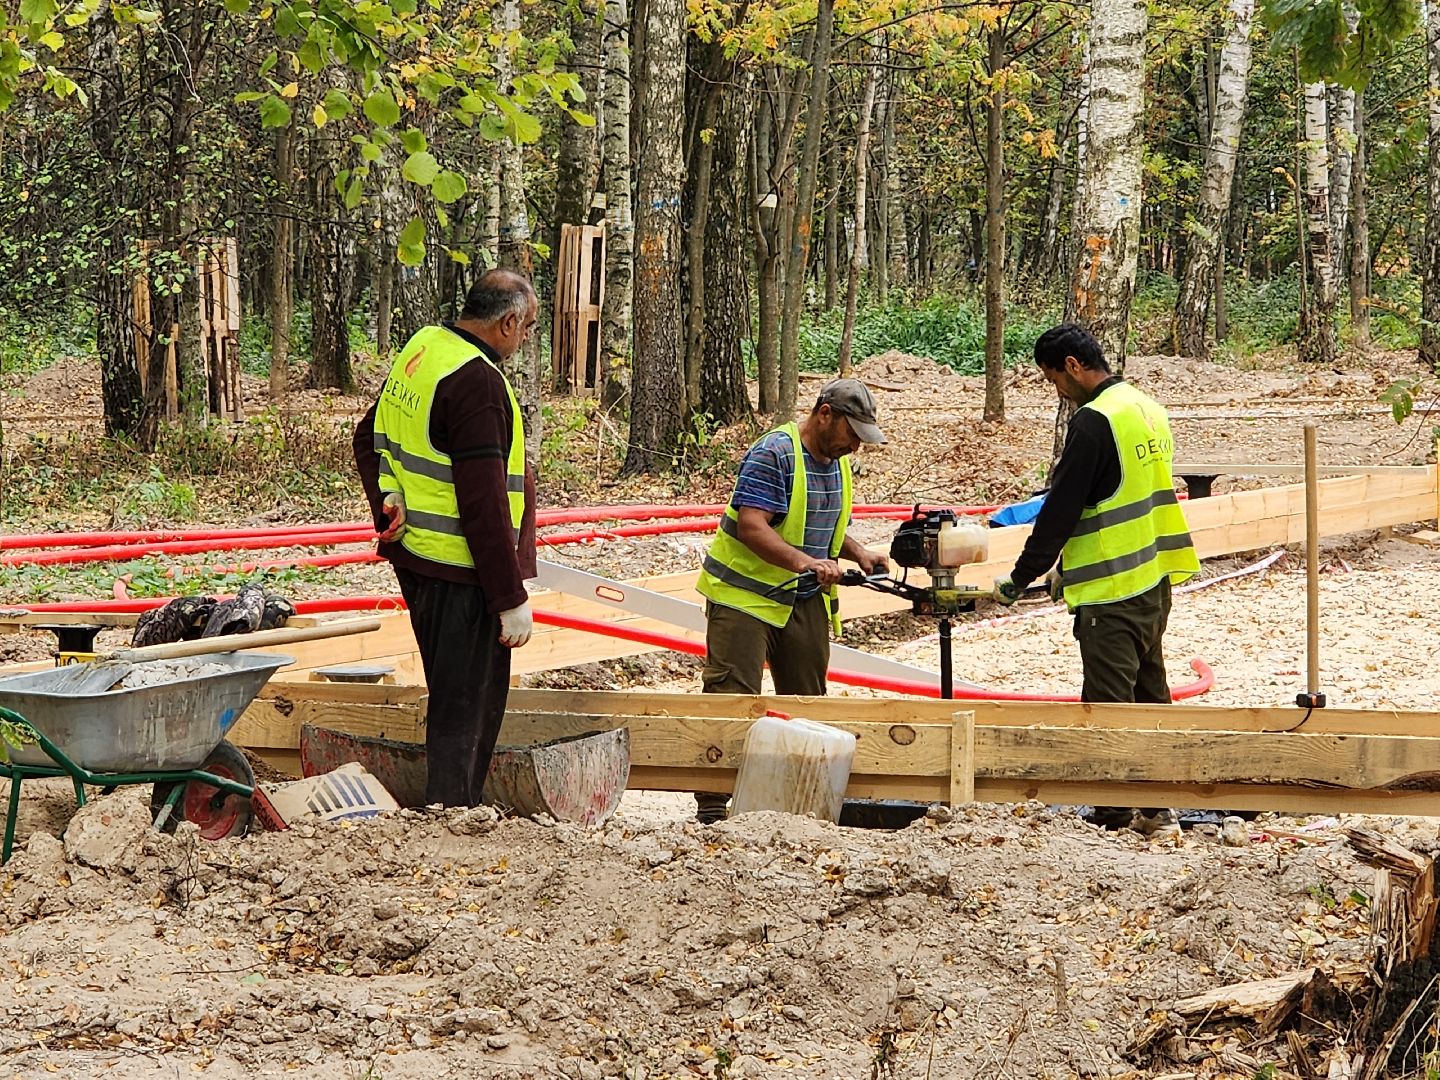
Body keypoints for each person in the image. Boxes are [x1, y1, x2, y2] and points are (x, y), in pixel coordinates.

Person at [993, 323, 1199, 834]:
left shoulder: (1093, 422)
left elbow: (1061, 510)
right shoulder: (1144, 407)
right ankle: (1157, 807)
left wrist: (1020, 578)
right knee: (1151, 695)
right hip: (1153, 579)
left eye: (1052, 379)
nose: (1056, 391)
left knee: (1108, 705)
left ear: (1071, 366)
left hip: (1112, 591)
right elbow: (1119, 495)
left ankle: (1114, 812)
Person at [353, 268, 539, 808]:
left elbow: (369, 435)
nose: (524, 339)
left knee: (452, 697)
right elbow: (483, 504)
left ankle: (449, 811)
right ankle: (450, 818)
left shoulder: (425, 348)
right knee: (468, 707)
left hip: (417, 559)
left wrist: (386, 497)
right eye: (525, 328)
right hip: (463, 575)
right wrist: (508, 599)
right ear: (506, 322)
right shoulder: (477, 383)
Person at [693, 378, 891, 823]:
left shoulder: (836, 462)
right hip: (744, 599)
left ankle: (798, 803)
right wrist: (807, 563)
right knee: (732, 699)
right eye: (851, 434)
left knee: (809, 706)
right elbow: (753, 526)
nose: (854, 447)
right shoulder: (775, 453)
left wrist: (858, 553)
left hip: (802, 602)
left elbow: (824, 520)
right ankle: (711, 808)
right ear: (825, 414)